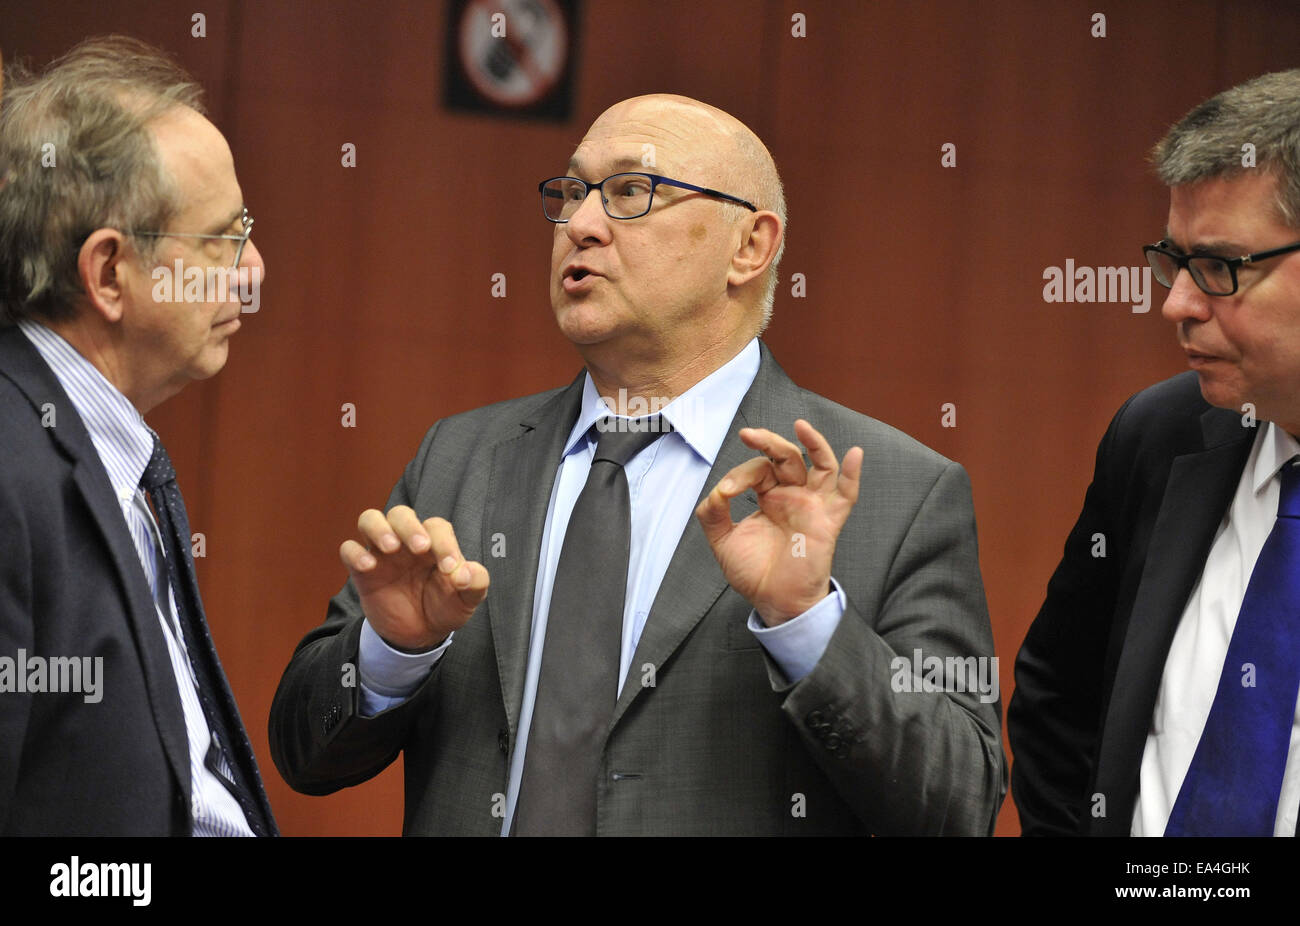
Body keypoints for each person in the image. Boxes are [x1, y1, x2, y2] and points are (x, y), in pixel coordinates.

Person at [270, 93, 1004, 835]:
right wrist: (393, 651)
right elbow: (304, 756)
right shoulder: (464, 457)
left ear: (749, 245)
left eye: (630, 192)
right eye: (571, 194)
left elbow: (960, 802)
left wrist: (807, 624)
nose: (580, 226)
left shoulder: (893, 491)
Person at [1010, 70, 1300, 837]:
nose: (1175, 304)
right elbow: (1056, 706)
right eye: (1174, 262)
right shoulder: (1161, 433)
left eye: (1221, 269)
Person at [0, 36, 276, 835]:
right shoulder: (12, 467)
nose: (253, 269)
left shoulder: (116, 456)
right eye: (222, 239)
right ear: (110, 274)